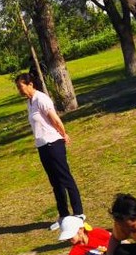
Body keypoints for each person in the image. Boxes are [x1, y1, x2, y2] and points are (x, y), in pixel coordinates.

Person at [14, 72, 84, 230]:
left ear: (30, 84)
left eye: (21, 86)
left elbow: (55, 119)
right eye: (18, 87)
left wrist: (64, 134)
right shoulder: (30, 101)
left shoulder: (41, 99)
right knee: (55, 182)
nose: (19, 90)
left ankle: (79, 213)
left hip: (54, 144)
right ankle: (64, 215)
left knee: (65, 178)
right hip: (42, 146)